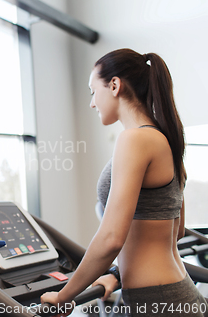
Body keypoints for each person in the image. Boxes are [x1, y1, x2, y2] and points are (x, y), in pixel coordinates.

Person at [40, 48, 207, 316]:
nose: (92, 103)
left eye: (93, 91)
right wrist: (117, 275)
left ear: (115, 85)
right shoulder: (166, 139)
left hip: (154, 302)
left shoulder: (135, 139)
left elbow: (111, 238)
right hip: (174, 294)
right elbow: (173, 233)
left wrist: (64, 296)